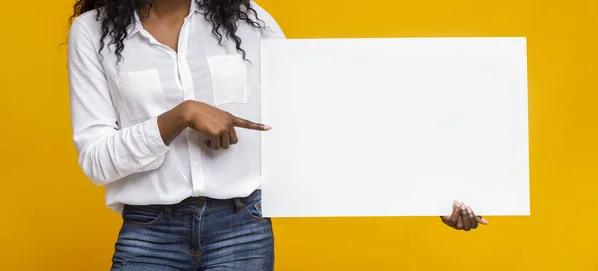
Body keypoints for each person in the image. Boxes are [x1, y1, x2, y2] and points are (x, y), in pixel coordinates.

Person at [67, 0, 488, 270]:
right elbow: (97, 160)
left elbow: (317, 128)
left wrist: (429, 192)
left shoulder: (251, 21)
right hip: (149, 234)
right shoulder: (92, 33)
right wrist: (182, 115)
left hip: (241, 229)